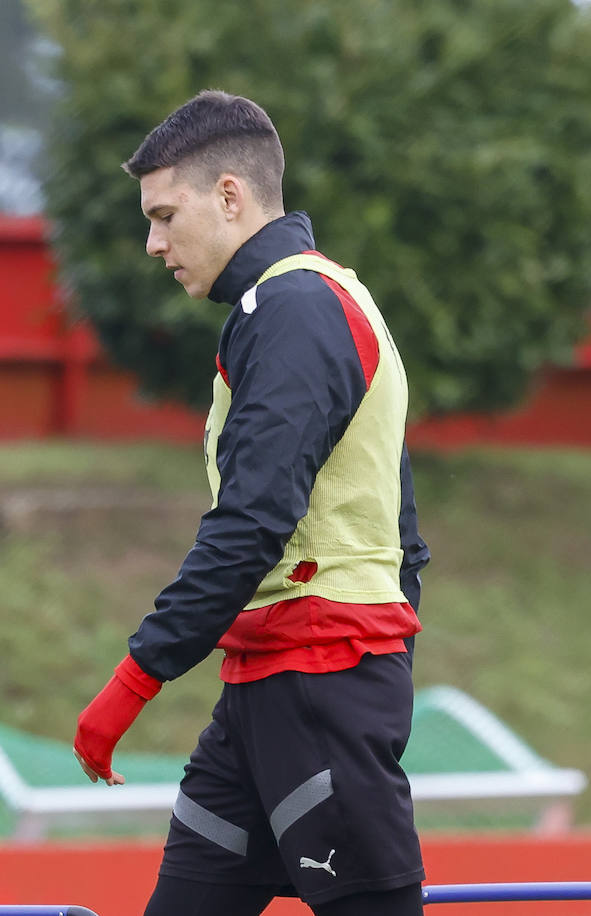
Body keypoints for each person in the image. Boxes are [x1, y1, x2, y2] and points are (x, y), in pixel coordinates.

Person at [71, 90, 429, 916]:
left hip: (318, 684)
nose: (153, 243)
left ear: (230, 195)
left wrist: (134, 679)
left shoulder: (294, 309)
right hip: (271, 688)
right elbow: (405, 534)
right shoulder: (321, 298)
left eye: (165, 215)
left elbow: (252, 523)